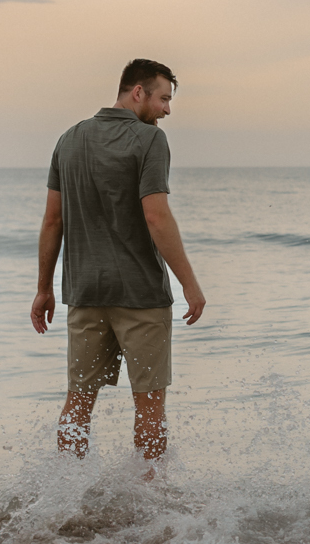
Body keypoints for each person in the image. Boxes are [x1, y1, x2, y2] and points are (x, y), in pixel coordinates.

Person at [31, 59, 207, 475]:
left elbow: (52, 220)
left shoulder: (69, 139)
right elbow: (157, 217)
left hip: (85, 292)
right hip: (140, 294)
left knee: (78, 400)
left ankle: (64, 488)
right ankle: (150, 501)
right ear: (138, 92)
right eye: (164, 98)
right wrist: (191, 286)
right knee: (149, 403)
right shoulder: (149, 141)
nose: (167, 110)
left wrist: (44, 288)